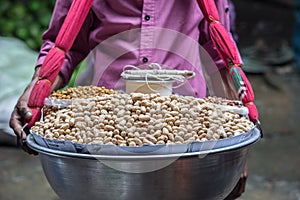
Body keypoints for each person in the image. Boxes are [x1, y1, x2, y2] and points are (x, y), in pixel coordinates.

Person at [10, 0, 248, 199]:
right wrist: (36, 91)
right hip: (105, 125)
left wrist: (238, 151)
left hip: (186, 127)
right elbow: (64, 46)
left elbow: (222, 55)